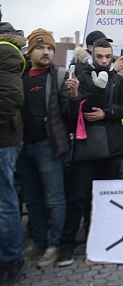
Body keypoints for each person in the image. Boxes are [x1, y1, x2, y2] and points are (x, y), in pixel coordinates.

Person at [57, 39, 123, 267]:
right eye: (99, 56)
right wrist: (73, 95)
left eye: (106, 57)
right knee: (78, 198)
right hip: (85, 148)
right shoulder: (79, 78)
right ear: (92, 55)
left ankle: (100, 240)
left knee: (105, 199)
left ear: (111, 57)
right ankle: (67, 244)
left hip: (111, 148)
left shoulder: (117, 80)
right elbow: (68, 115)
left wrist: (106, 113)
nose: (103, 61)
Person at [17, 29, 70, 268]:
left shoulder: (59, 76)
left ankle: (54, 244)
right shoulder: (19, 76)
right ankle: (38, 241)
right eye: (41, 48)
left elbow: (69, 115)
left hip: (49, 147)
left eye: (49, 48)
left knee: (55, 198)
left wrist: (74, 96)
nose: (46, 52)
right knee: (32, 198)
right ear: (30, 51)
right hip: (21, 147)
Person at [0, 21, 27, 286]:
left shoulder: (5, 51)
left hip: (4, 140)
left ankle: (10, 258)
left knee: (4, 202)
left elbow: (9, 97)